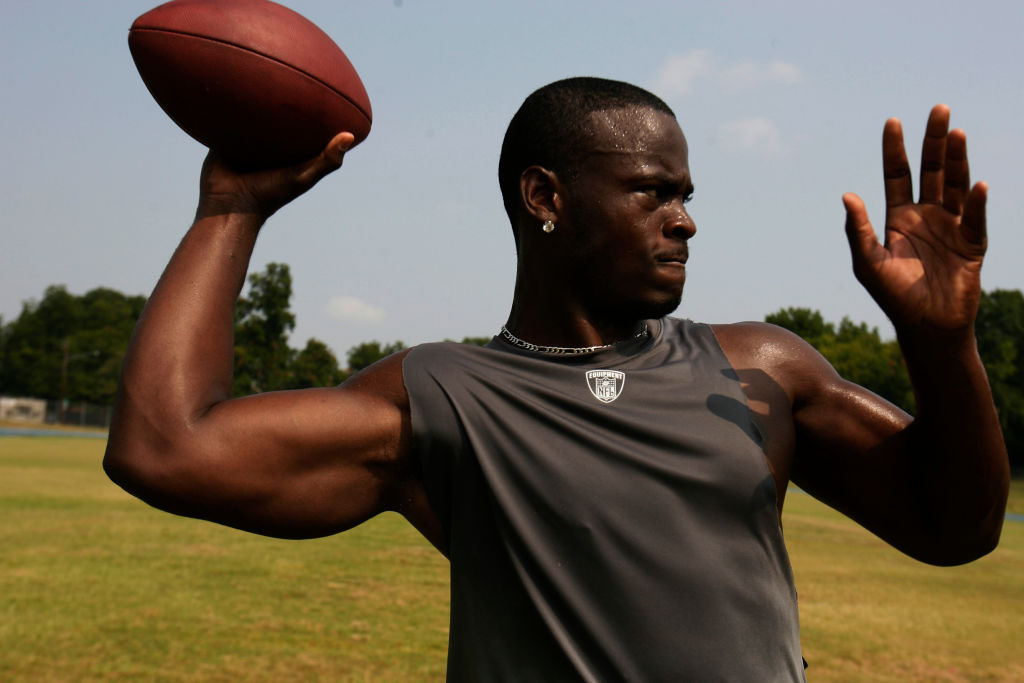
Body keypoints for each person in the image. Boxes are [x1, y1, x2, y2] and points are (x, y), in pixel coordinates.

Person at [104, 77, 1009, 680]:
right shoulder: (439, 396)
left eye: (688, 194)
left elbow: (955, 527)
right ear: (546, 198)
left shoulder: (759, 369)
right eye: (655, 191)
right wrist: (231, 210)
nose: (685, 220)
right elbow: (164, 445)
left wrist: (942, 344)